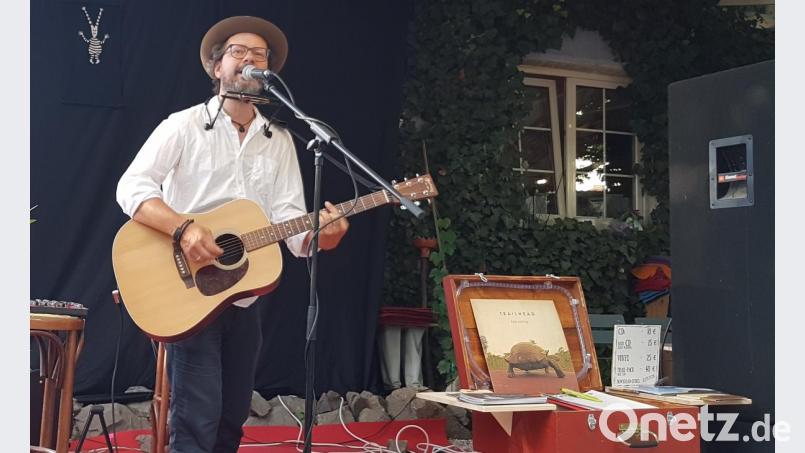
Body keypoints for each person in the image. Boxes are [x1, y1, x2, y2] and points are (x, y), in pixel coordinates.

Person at [116, 16, 349, 453]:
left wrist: (322, 236)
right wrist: (184, 229)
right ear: (215, 67)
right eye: (238, 53)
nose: (249, 60)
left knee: (232, 416)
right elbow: (132, 187)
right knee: (196, 417)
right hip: (186, 292)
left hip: (242, 295)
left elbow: (292, 225)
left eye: (259, 56)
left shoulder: (277, 139)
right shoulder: (182, 126)